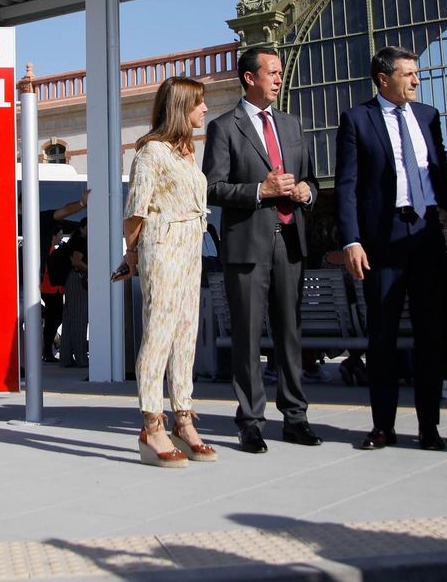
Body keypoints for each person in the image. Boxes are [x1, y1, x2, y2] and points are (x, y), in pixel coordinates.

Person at [335, 45, 447, 452]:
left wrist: (446, 211)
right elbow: (348, 186)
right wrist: (351, 239)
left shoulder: (428, 117)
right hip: (382, 241)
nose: (416, 81)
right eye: (408, 74)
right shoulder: (356, 120)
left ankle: (429, 426)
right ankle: (382, 425)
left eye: (416, 73)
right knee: (382, 336)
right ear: (383, 79)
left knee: (431, 334)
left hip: (425, 234)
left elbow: (438, 163)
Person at [205, 45, 320, 454]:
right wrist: (260, 190)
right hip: (247, 246)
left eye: (280, 72)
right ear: (249, 78)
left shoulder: (292, 125)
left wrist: (308, 191)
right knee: (249, 335)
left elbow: (310, 179)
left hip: (290, 241)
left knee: (290, 332)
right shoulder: (225, 127)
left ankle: (295, 416)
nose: (278, 78)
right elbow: (213, 187)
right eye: (271, 72)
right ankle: (251, 420)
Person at [122, 76, 218, 468]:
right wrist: (131, 255)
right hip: (162, 248)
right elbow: (135, 211)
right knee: (159, 332)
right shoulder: (151, 153)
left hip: (191, 249)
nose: (205, 109)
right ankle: (151, 422)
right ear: (181, 106)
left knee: (185, 334)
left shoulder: (186, 154)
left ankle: (183, 416)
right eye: (198, 103)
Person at [57, 214, 90, 368]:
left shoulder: (74, 239)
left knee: (70, 319)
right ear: (84, 227)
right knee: (79, 320)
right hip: (78, 280)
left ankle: (66, 358)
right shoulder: (80, 241)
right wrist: (91, 269)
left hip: (71, 281)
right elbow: (76, 261)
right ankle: (81, 358)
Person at [41, 225, 67, 362]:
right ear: (53, 236)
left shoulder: (52, 251)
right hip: (50, 289)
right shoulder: (48, 252)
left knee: (55, 318)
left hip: (54, 289)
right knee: (54, 319)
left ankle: (48, 347)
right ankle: (47, 351)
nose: (61, 237)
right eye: (60, 234)